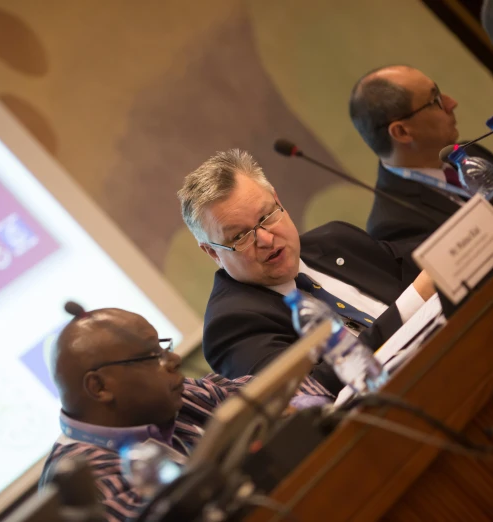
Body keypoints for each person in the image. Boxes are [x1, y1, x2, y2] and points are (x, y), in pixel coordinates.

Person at [39, 303, 332, 521]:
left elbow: (290, 389)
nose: (174, 359)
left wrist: (299, 413)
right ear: (100, 386)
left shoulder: (177, 397)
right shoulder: (86, 484)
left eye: (164, 347)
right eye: (153, 356)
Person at [177, 149, 437, 395]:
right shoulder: (231, 326)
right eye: (241, 236)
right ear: (212, 252)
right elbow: (307, 393)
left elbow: (426, 265)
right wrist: (411, 305)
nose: (266, 239)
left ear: (278, 201)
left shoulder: (336, 238)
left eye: (266, 216)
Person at [349, 65, 493, 243]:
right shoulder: (393, 224)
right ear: (402, 132)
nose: (451, 103)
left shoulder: (467, 151)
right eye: (435, 100)